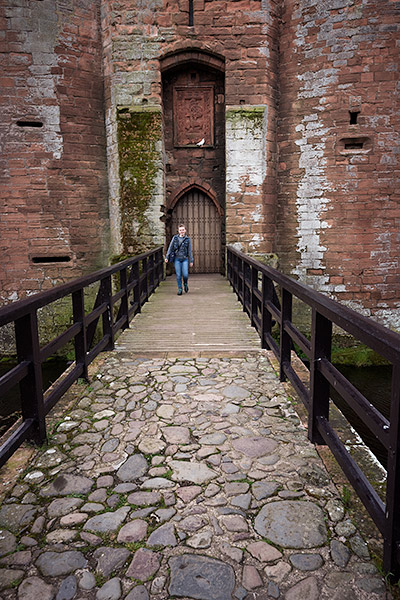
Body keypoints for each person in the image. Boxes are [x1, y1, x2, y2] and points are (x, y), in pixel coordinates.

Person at [165, 224, 194, 295]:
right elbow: (170, 248)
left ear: (185, 230)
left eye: (183, 230)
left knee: (185, 275)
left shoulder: (187, 239)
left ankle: (186, 284)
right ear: (178, 231)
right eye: (180, 230)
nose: (182, 231)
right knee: (178, 275)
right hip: (177, 259)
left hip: (185, 259)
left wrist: (191, 260)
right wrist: (167, 257)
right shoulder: (175, 238)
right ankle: (180, 288)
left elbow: (190, 250)